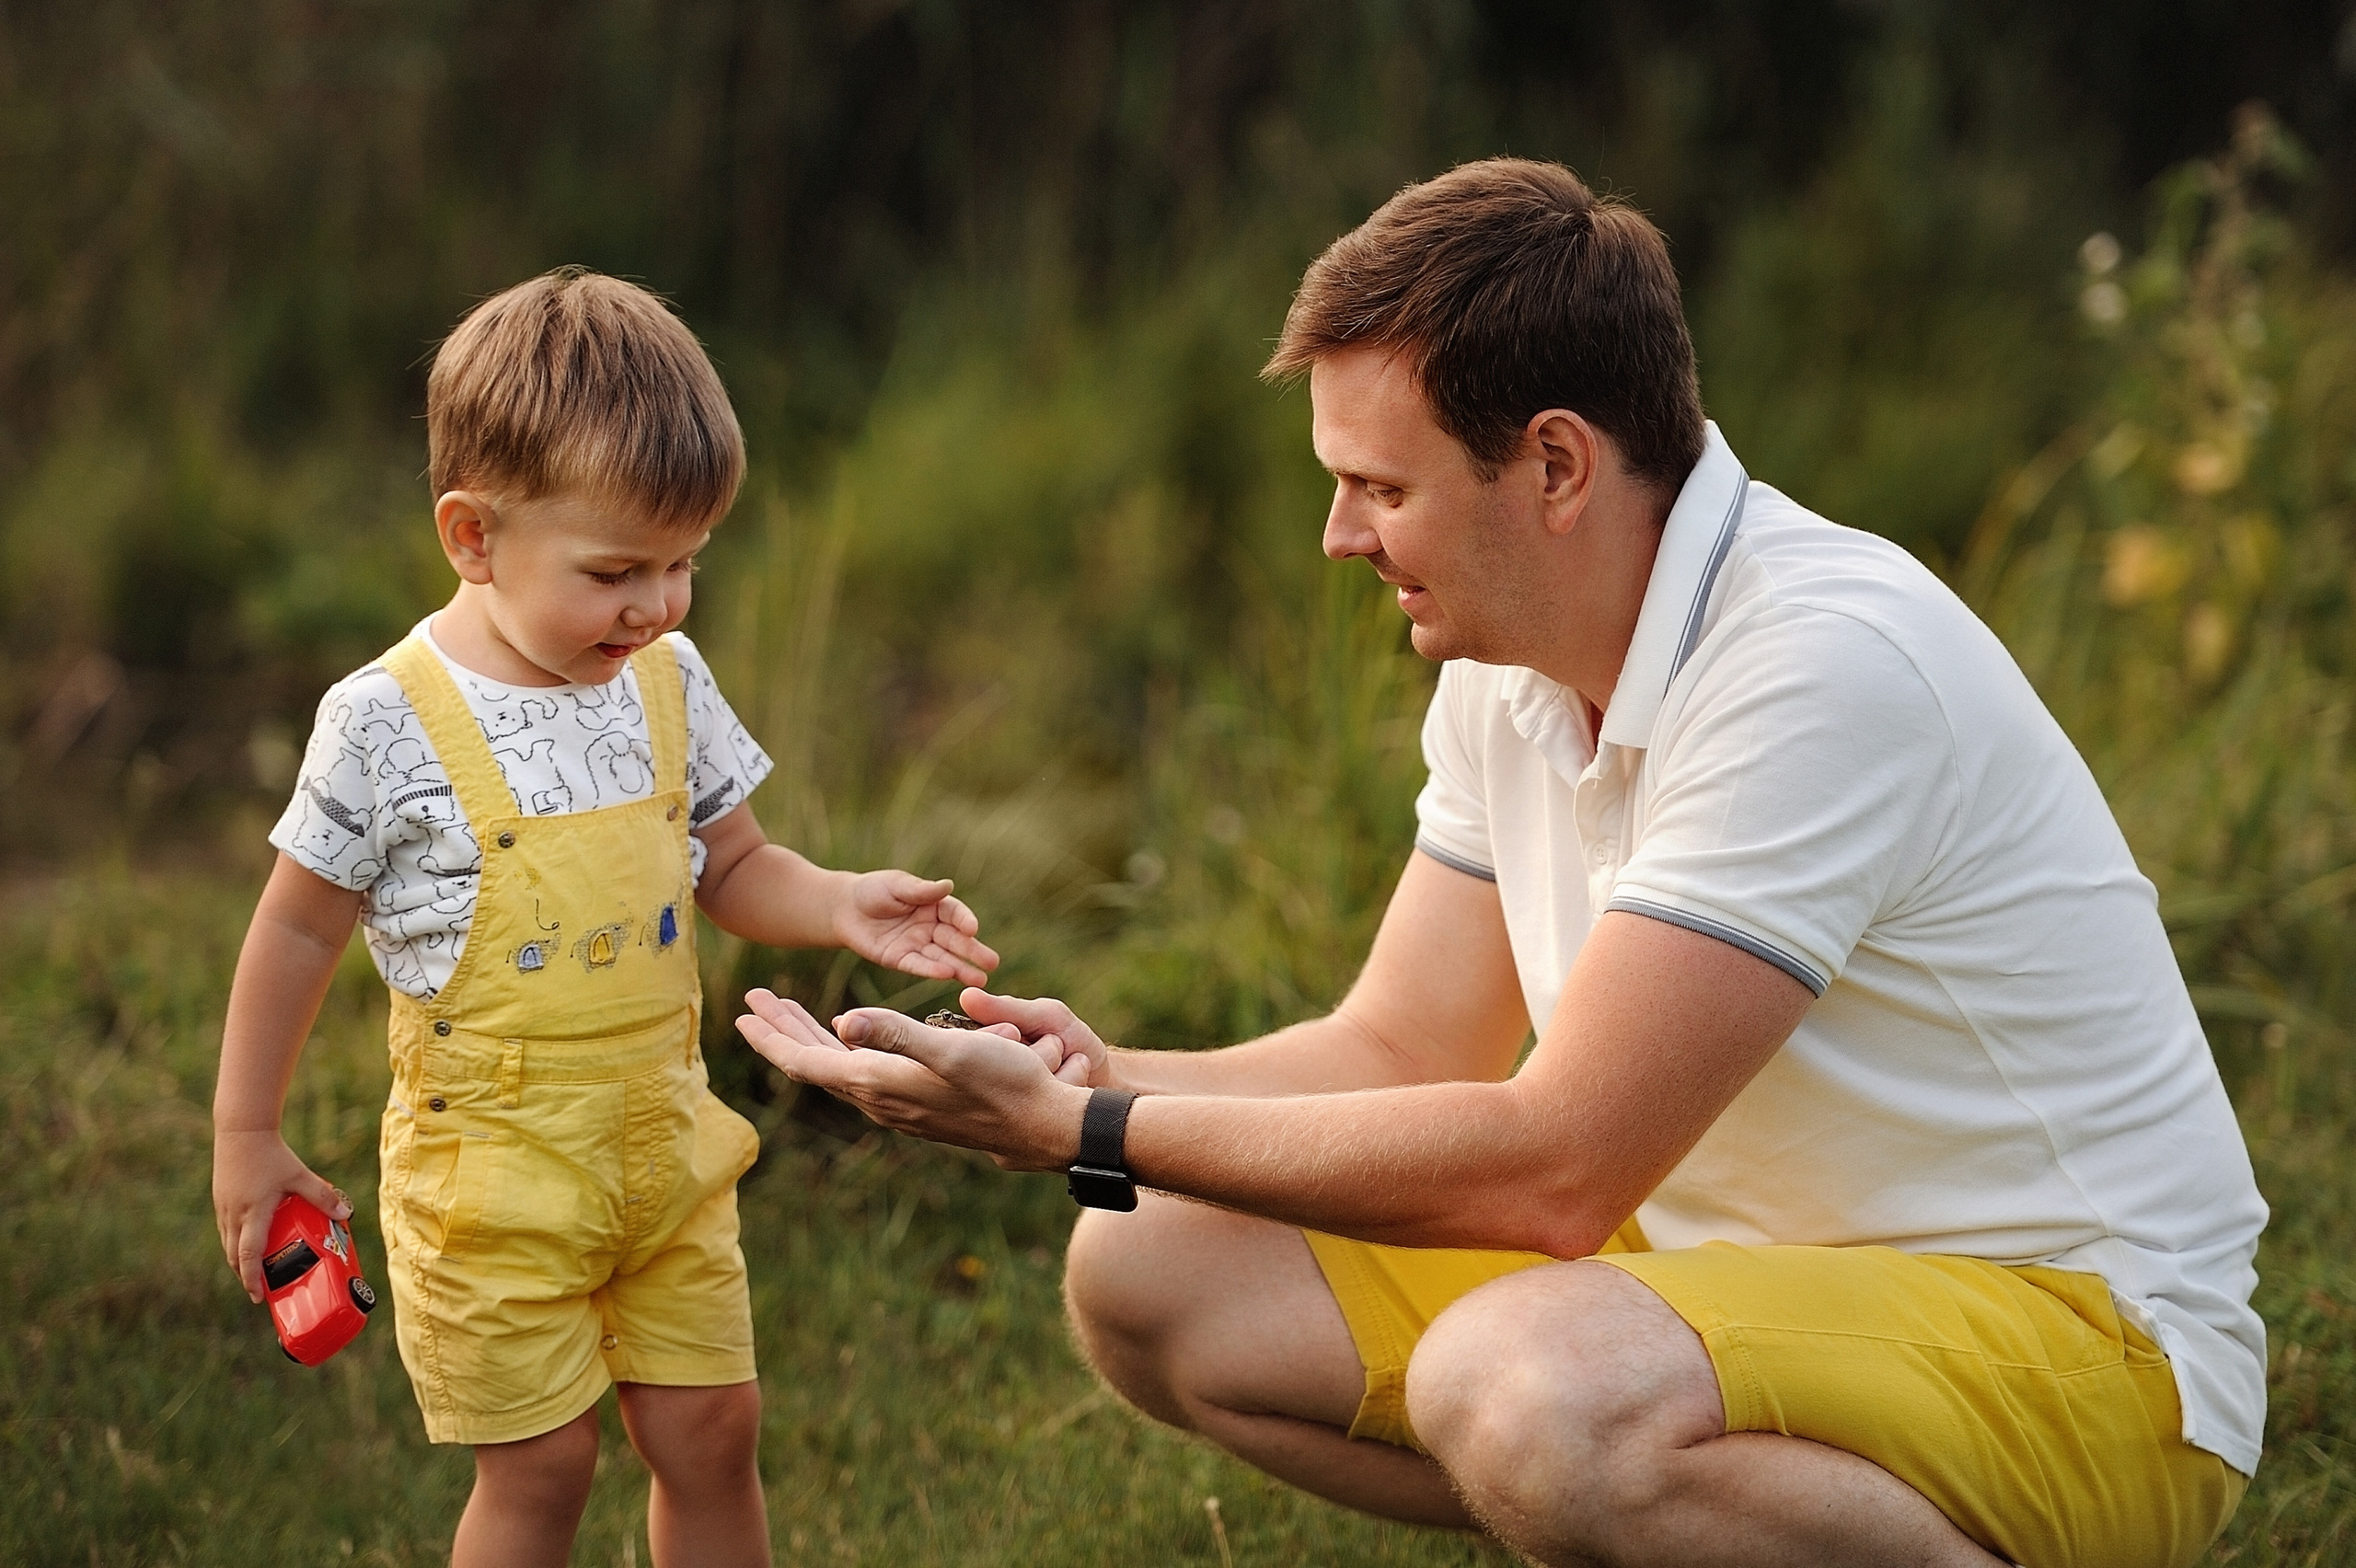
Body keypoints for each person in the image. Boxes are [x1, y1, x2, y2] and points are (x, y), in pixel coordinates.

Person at [734, 160, 2270, 1568]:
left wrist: (1094, 1125)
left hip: (2087, 1354)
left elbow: (1555, 1170)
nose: (1340, 535)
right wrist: (1097, 1077)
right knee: (1156, 1274)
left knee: (1528, 1389)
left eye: (1381, 487)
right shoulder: (1509, 663)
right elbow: (1398, 1045)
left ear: (1553, 466)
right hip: (1737, 1284)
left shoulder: (1820, 669)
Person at [212, 268, 999, 1568]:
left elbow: (730, 863)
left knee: (714, 1430)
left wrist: (844, 903)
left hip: (662, 1150)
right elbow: (295, 929)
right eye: (618, 570)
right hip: (494, 1178)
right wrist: (249, 1135)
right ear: (473, 538)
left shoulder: (662, 679)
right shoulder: (384, 718)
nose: (660, 605)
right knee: (542, 1467)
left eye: (686, 563)